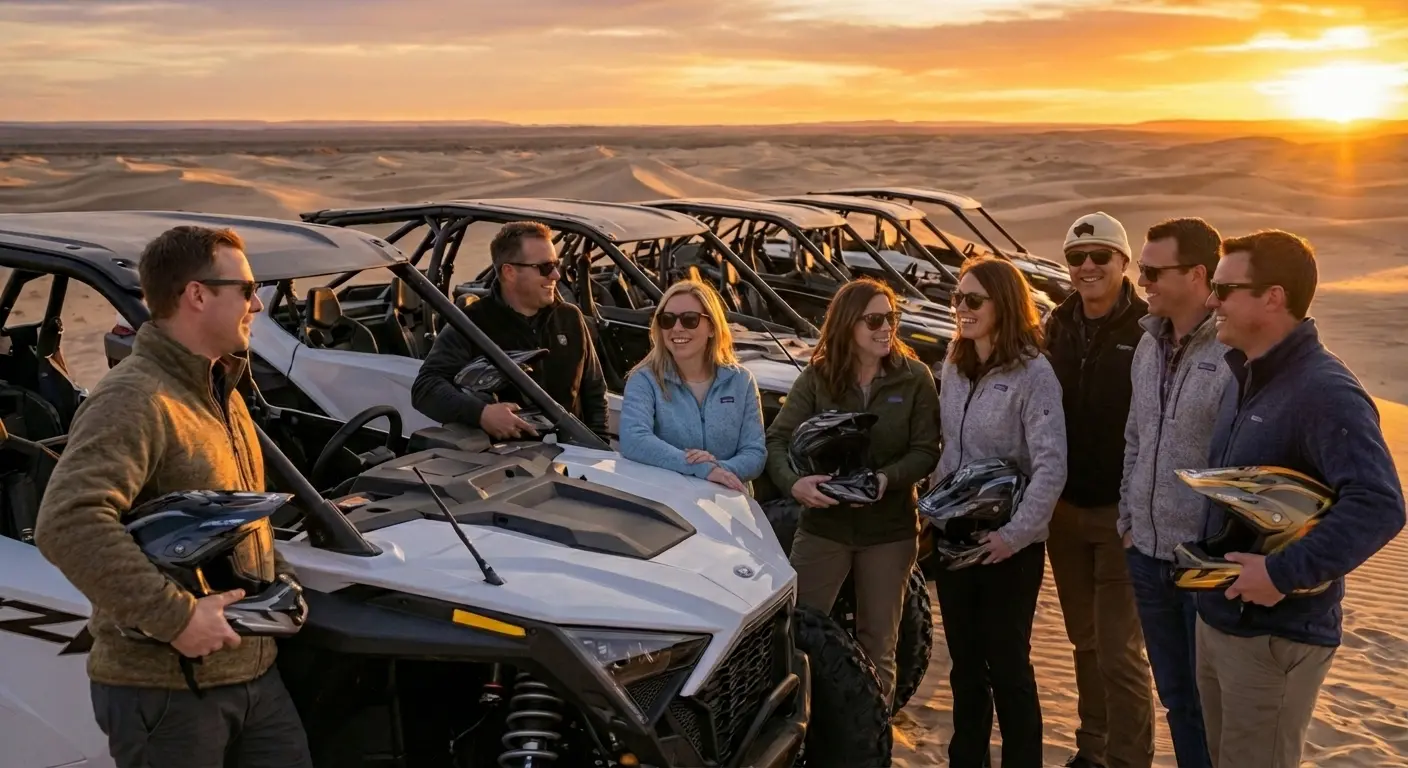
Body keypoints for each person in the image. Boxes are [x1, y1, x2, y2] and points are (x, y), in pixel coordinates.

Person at [33, 225, 313, 768]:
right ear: (198, 294)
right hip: (167, 692)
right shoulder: (135, 398)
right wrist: (176, 618)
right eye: (247, 289)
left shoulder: (216, 388)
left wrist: (278, 583)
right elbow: (68, 521)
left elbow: (239, 514)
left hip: (251, 674)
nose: (257, 304)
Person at [1195, 229, 1404, 768]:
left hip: (1274, 636)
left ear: (1273, 296)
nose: (1212, 300)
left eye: (1225, 288)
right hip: (1223, 623)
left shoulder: (1324, 390)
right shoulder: (1244, 374)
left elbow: (1380, 503)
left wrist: (1281, 574)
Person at [765, 278, 941, 708]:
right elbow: (777, 441)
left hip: (890, 529)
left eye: (892, 318)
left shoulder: (914, 377)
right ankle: (802, 733)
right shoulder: (819, 377)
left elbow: (927, 450)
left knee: (878, 643)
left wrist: (887, 478)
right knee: (796, 633)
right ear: (847, 325)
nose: (887, 329)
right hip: (825, 525)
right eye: (875, 320)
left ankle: (871, 742)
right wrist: (795, 484)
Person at [932, 256, 1067, 768]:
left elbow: (1052, 467)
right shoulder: (954, 361)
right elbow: (951, 448)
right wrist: (933, 508)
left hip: (1009, 546)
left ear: (1003, 304)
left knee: (1008, 667)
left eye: (973, 300)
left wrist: (1014, 536)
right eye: (957, 299)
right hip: (955, 538)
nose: (961, 309)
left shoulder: (1035, 373)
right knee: (965, 667)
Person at [1045, 211, 1156, 768]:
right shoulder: (1055, 326)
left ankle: (1130, 759)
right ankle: (1092, 751)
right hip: (1063, 515)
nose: (1087, 267)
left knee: (1119, 650)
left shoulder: (1149, 330)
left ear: (1123, 263)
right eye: (1076, 258)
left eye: (1100, 257)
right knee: (1085, 643)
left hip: (1121, 517)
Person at [1118, 217, 1226, 768]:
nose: (1144, 281)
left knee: (1217, 707)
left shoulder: (1233, 351)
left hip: (1206, 565)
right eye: (1143, 270)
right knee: (1177, 700)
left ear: (1198, 275)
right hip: (1148, 556)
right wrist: (1129, 521)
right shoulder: (1147, 344)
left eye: (1155, 271)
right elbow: (1136, 436)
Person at [412, 220, 609, 440]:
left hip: (573, 459)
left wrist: (598, 448)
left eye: (556, 265)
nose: (556, 275)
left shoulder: (570, 318)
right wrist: (482, 415)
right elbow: (425, 388)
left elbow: (594, 391)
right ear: (509, 272)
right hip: (505, 464)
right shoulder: (470, 323)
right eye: (545, 267)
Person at [619, 278, 766, 492]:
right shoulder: (644, 380)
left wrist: (717, 471)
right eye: (667, 320)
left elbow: (754, 452)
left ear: (712, 328)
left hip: (732, 505)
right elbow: (635, 440)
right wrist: (699, 468)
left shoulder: (741, 381)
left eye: (690, 319)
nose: (677, 328)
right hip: (671, 506)